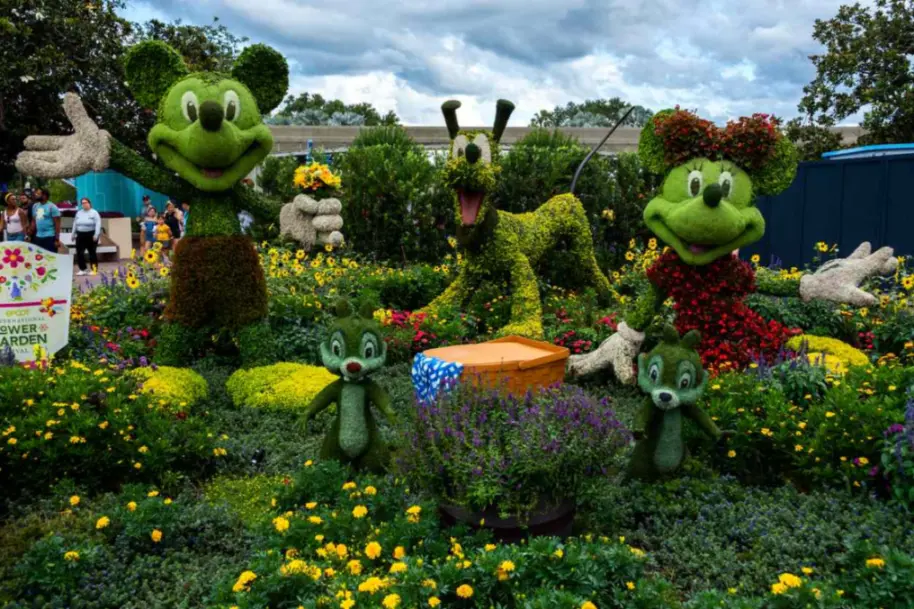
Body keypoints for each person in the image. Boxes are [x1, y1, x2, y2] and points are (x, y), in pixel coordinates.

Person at [73, 197, 102, 276]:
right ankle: (83, 269)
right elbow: (75, 223)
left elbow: (98, 224)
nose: (84, 204)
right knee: (79, 252)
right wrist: (73, 234)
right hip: (80, 234)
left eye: (86, 202)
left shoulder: (94, 212)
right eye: (82, 203)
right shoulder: (79, 213)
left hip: (91, 234)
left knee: (92, 252)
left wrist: (96, 234)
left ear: (89, 203)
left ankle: (94, 269)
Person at [29, 188, 61, 253]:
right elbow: (34, 221)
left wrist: (57, 239)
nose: (36, 194)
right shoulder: (35, 206)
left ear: (44, 196)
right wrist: (29, 234)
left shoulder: (52, 207)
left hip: (50, 237)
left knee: (50, 258)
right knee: (39, 257)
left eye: (38, 193)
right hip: (38, 236)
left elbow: (57, 224)